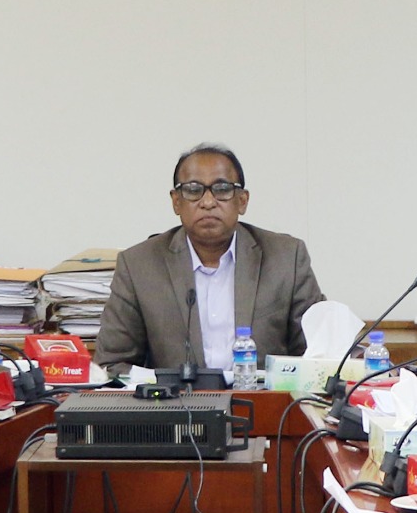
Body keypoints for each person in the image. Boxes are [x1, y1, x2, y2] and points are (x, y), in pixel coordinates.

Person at [94, 143, 325, 375]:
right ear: (176, 202)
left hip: (262, 397)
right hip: (175, 398)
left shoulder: (286, 259)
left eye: (222, 189)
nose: (207, 202)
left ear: (242, 201)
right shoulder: (139, 266)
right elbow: (112, 364)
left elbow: (319, 355)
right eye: (193, 190)